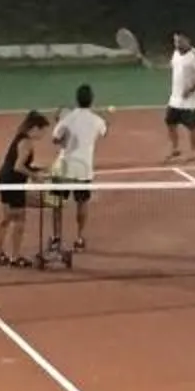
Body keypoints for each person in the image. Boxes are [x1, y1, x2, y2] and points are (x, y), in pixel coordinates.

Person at [46, 84, 107, 261]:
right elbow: (104, 132)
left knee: (55, 204)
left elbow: (54, 139)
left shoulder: (67, 119)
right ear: (92, 100)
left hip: (62, 168)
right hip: (84, 170)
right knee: (82, 203)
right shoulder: (97, 121)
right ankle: (80, 238)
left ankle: (56, 238)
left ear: (76, 99)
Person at [0, 110, 51, 266]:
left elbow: (16, 163)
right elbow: (18, 167)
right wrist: (34, 176)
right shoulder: (27, 143)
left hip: (4, 180)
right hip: (13, 183)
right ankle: (15, 257)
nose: (42, 135)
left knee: (6, 219)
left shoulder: (19, 138)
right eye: (42, 131)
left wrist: (37, 169)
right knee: (19, 220)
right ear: (35, 128)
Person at [159, 31, 195, 162]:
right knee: (169, 122)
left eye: (180, 41)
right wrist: (155, 66)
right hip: (175, 99)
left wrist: (190, 90)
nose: (177, 44)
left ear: (188, 40)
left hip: (191, 100)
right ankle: (175, 149)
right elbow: (172, 66)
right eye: (175, 41)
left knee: (192, 126)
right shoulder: (175, 54)